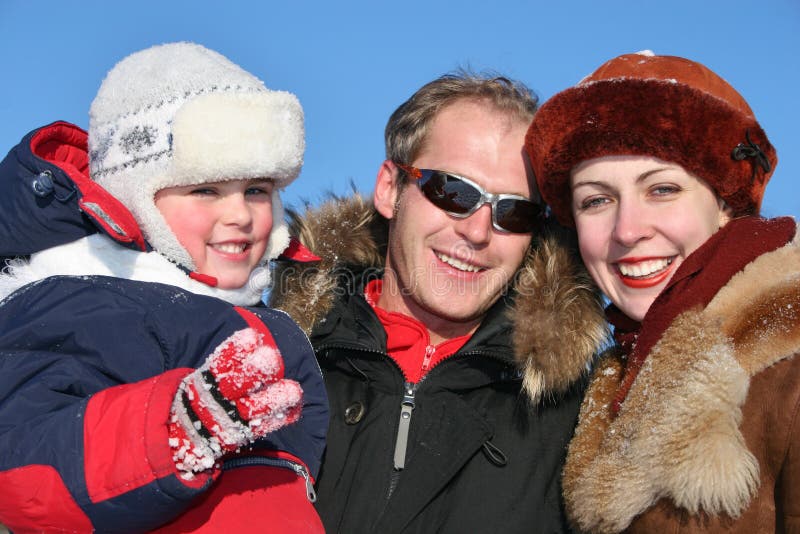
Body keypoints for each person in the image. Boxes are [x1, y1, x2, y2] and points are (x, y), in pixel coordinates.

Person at [0, 42, 328, 532]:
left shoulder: (274, 321)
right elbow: (23, 462)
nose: (240, 215)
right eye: (206, 190)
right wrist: (174, 431)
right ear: (137, 197)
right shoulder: (85, 299)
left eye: (257, 190)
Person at [269, 72, 609, 533]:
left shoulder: (576, 424)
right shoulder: (272, 362)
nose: (477, 231)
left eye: (514, 211)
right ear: (391, 188)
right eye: (453, 192)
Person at [524, 50, 800, 533]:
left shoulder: (787, 363)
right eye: (597, 200)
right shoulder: (607, 380)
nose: (627, 230)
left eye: (663, 189)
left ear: (724, 206)